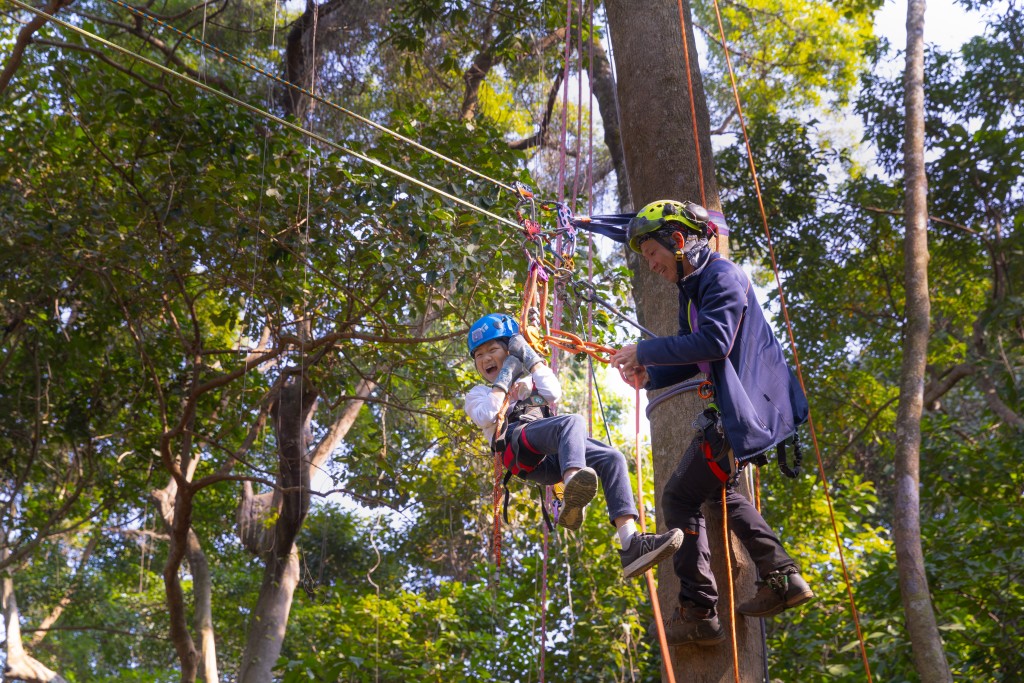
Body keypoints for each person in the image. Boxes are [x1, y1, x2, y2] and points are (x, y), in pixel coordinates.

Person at [610, 199, 813, 646]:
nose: (651, 265)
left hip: (744, 411)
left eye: (652, 254)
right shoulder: (694, 290)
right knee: (716, 493)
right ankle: (782, 576)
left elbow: (716, 342)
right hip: (736, 413)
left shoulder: (722, 275)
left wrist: (643, 351)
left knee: (679, 498)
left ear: (678, 241)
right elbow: (695, 351)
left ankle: (700, 609)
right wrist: (650, 375)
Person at [464, 313, 683, 578]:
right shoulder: (478, 394)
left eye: (493, 350)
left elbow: (553, 392)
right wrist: (507, 373)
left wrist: (530, 359)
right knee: (571, 422)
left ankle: (630, 544)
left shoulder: (528, 382)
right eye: (479, 355)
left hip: (552, 458)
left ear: (509, 349)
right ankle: (572, 488)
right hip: (517, 446)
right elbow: (487, 415)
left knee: (612, 457)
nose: (486, 358)